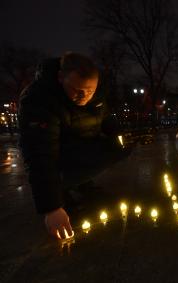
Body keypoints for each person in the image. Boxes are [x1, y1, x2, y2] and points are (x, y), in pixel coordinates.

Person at [18, 53, 130, 240]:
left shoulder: (96, 93)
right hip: (58, 155)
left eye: (90, 91)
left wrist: (123, 137)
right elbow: (39, 154)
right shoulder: (39, 98)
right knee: (58, 159)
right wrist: (52, 207)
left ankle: (82, 183)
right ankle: (62, 191)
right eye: (77, 89)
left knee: (120, 147)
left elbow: (107, 120)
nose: (84, 96)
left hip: (80, 147)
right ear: (61, 78)